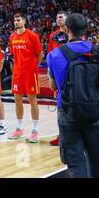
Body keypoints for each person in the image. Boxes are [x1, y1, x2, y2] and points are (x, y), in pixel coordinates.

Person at [47, 13, 99, 178]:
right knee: (96, 160)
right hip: (95, 112)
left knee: (76, 163)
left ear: (67, 29)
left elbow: (53, 86)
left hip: (68, 112)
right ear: (85, 31)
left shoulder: (54, 55)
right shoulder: (96, 51)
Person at [8, 13, 44, 143]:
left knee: (32, 100)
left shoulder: (32, 36)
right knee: (17, 100)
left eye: (18, 20)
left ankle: (35, 130)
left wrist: (34, 67)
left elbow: (40, 54)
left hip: (30, 73)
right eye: (14, 20)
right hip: (18, 73)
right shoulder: (12, 36)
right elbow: (13, 55)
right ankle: (19, 128)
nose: (16, 22)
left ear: (24, 21)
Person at [47, 11, 69, 146]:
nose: (58, 19)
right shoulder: (52, 35)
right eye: (56, 17)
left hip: (72, 70)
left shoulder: (74, 33)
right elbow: (50, 53)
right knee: (59, 104)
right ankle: (61, 135)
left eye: (61, 17)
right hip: (57, 72)